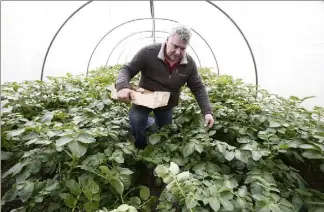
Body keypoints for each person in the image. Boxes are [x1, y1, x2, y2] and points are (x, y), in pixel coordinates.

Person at [115, 24, 215, 149]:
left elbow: (198, 87)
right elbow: (127, 69)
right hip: (144, 98)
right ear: (167, 40)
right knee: (137, 121)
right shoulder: (148, 53)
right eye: (175, 46)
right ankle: (140, 148)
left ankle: (158, 152)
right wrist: (122, 86)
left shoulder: (189, 64)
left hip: (166, 103)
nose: (178, 52)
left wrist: (207, 112)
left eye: (182, 48)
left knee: (164, 131)